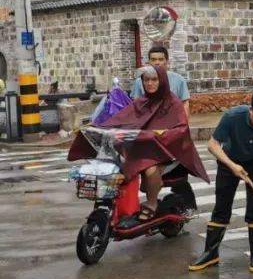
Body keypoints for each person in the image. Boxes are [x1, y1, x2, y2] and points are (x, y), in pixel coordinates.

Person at [73, 64, 207, 224]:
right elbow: (121, 119)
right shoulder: (141, 102)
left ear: (162, 81)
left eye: (154, 80)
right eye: (146, 80)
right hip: (143, 149)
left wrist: (159, 135)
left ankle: (152, 203)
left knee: (150, 169)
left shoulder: (174, 104)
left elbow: (181, 130)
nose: (150, 84)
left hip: (168, 153)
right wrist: (98, 128)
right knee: (113, 164)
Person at [189, 90, 253, 273]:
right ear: (251, 110)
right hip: (229, 159)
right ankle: (211, 253)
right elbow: (213, 145)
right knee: (222, 206)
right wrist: (232, 166)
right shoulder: (233, 117)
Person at [132, 45, 190, 120]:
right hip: (149, 123)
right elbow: (136, 105)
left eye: (161, 59)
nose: (157, 62)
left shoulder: (179, 80)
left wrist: (184, 124)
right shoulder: (140, 82)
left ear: (167, 61)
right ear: (149, 62)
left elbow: (185, 104)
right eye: (153, 59)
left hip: (173, 122)